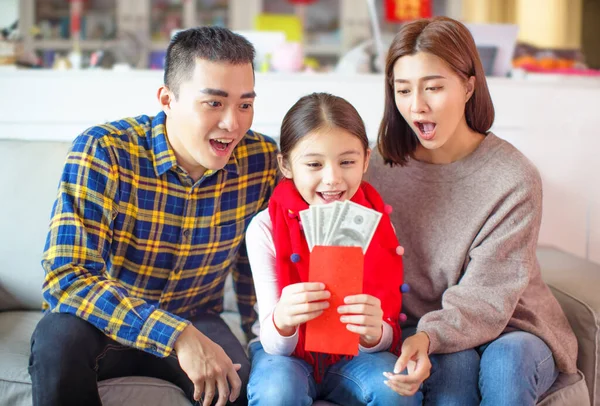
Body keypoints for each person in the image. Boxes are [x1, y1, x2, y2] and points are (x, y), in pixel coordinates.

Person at [28, 26, 278, 406]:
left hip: (198, 315)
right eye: (214, 103)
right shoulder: (105, 150)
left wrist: (270, 349)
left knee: (240, 389)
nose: (233, 123)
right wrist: (178, 335)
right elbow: (67, 276)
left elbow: (255, 275)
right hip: (100, 321)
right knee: (57, 344)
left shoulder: (260, 160)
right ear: (167, 99)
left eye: (245, 104)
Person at [365, 16, 578, 405]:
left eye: (433, 87)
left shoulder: (513, 177)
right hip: (429, 331)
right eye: (403, 90)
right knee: (451, 375)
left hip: (514, 324)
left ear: (467, 86)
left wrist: (429, 335)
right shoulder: (374, 169)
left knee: (506, 364)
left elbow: (488, 297)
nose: (417, 105)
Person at [244, 92, 419, 406]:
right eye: (314, 164)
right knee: (276, 392)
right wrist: (283, 319)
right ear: (286, 164)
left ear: (366, 160)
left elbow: (387, 331)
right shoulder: (265, 228)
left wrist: (374, 333)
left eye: (347, 162)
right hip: (286, 356)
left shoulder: (379, 225)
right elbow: (273, 344)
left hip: (356, 358)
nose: (333, 179)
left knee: (395, 391)